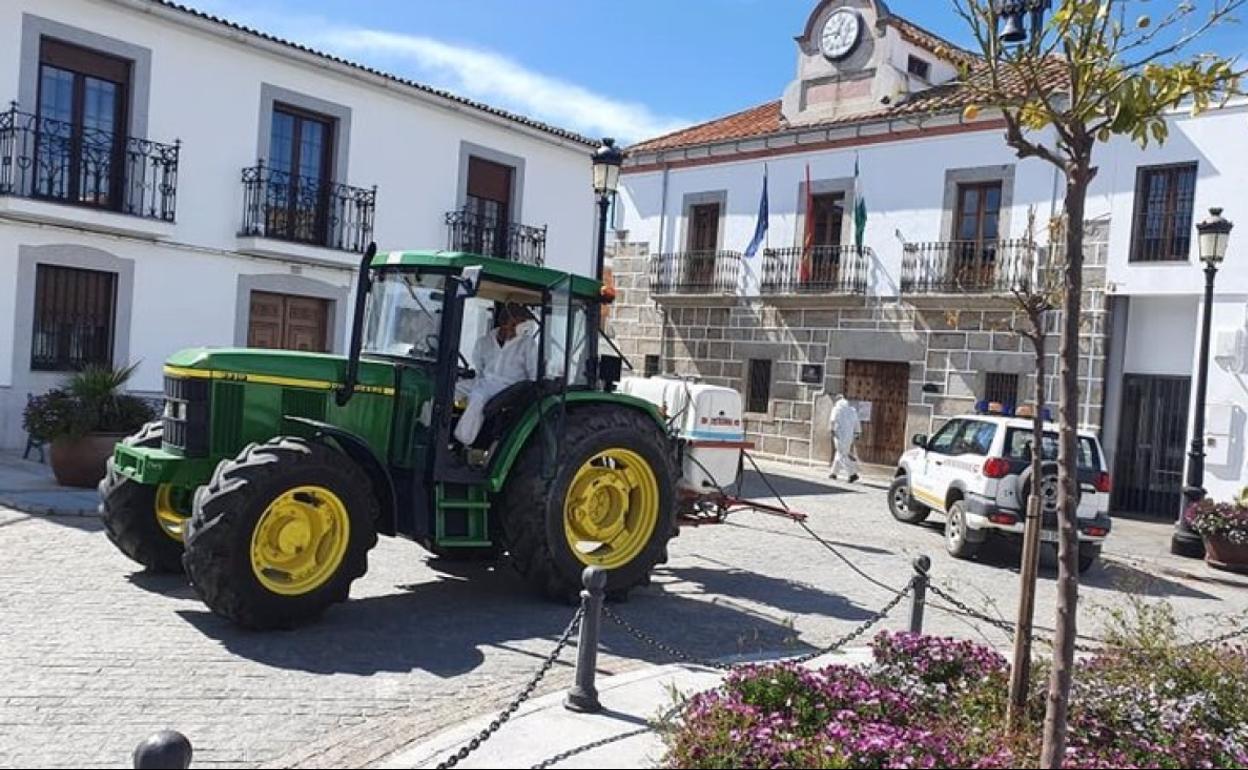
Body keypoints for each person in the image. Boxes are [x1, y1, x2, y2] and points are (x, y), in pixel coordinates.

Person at [453, 302, 538, 445]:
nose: (523, 325)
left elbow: (533, 374)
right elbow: (479, 368)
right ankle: (427, 423)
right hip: (484, 381)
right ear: (506, 323)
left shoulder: (527, 344)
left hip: (510, 388)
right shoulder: (484, 342)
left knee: (478, 397)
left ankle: (463, 441)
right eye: (519, 321)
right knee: (451, 388)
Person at [828, 394, 861, 483]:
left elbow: (832, 421)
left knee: (842, 455)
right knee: (840, 453)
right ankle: (833, 473)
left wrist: (831, 430)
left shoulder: (836, 409)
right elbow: (857, 423)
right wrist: (857, 433)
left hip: (839, 435)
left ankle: (852, 474)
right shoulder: (852, 410)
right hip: (849, 436)